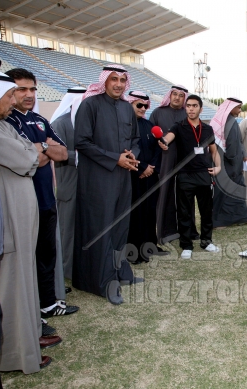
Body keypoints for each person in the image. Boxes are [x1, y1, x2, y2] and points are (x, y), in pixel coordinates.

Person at [0, 71, 46, 373]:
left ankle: (28, 342)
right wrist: (32, 152)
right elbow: (26, 158)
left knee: (24, 278)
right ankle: (14, 355)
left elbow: (31, 153)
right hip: (8, 216)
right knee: (11, 283)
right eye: (10, 95)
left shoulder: (3, 124)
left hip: (22, 215)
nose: (14, 101)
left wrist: (32, 152)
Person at [4, 68, 78, 319]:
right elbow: (30, 158)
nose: (29, 94)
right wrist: (44, 150)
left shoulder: (40, 120)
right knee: (25, 260)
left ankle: (47, 304)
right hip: (22, 203)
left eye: (32, 89)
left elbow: (62, 154)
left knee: (46, 254)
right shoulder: (6, 121)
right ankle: (30, 313)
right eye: (22, 89)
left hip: (46, 200)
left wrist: (43, 146)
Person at [73, 65, 141, 305]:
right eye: (114, 79)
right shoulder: (90, 105)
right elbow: (81, 141)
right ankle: (102, 283)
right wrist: (115, 159)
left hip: (123, 177)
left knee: (120, 227)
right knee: (101, 228)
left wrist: (132, 154)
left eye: (122, 80)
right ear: (105, 81)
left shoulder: (126, 107)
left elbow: (135, 139)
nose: (119, 84)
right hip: (98, 179)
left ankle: (121, 272)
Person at [158, 94, 221, 259]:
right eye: (188, 106)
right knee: (184, 212)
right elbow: (168, 138)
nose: (191, 109)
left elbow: (213, 151)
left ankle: (206, 241)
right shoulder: (178, 126)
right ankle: (186, 245)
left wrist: (218, 167)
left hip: (204, 175)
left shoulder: (207, 129)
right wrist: (163, 141)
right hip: (185, 175)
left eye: (194, 106)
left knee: (206, 212)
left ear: (201, 108)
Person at [149, 84, 198, 244]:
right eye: (174, 94)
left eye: (181, 95)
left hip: (186, 160)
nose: (177, 97)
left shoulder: (188, 114)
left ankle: (189, 230)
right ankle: (166, 232)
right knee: (166, 193)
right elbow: (151, 138)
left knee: (186, 194)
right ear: (169, 95)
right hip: (165, 159)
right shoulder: (158, 113)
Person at [51, 87, 86, 280]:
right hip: (69, 185)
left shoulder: (87, 123)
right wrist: (87, 156)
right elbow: (58, 153)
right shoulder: (60, 124)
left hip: (86, 186)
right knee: (67, 231)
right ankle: (66, 270)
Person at [126, 91, 164, 264]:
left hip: (150, 176)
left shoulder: (149, 125)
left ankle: (150, 246)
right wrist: (141, 168)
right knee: (136, 213)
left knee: (150, 211)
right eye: (139, 105)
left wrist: (151, 168)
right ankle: (134, 252)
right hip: (133, 175)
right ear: (130, 104)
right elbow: (126, 150)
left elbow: (157, 149)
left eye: (146, 106)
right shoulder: (125, 125)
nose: (143, 108)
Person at [210, 97, 247, 228]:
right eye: (238, 108)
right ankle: (218, 221)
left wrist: (243, 154)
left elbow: (239, 142)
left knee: (237, 190)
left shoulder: (225, 121)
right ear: (231, 107)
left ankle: (241, 217)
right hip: (229, 164)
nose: (240, 110)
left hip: (227, 162)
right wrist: (235, 162)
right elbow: (232, 145)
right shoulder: (230, 122)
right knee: (224, 192)